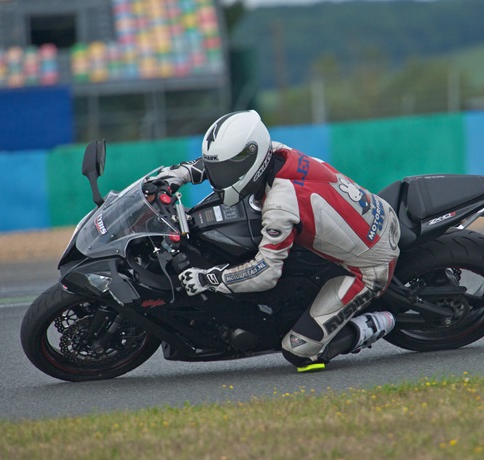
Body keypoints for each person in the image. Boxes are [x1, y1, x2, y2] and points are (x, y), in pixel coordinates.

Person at [151, 110, 400, 372]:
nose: (218, 178)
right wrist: (179, 174)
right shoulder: (277, 152)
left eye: (225, 170)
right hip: (374, 214)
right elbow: (219, 163)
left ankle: (378, 322)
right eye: (218, 168)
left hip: (371, 266)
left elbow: (266, 273)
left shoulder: (281, 205)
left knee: (299, 351)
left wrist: (208, 278)